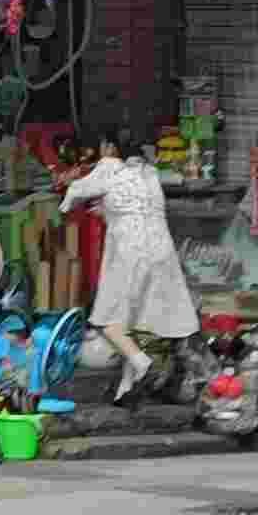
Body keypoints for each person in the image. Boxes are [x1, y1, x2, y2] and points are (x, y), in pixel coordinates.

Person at [60, 128, 199, 405]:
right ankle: (126, 391)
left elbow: (77, 191)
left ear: (111, 149)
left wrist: (65, 205)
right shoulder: (150, 174)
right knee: (132, 323)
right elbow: (138, 208)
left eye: (103, 147)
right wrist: (107, 211)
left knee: (106, 320)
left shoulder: (110, 167)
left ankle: (141, 362)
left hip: (131, 252)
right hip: (161, 252)